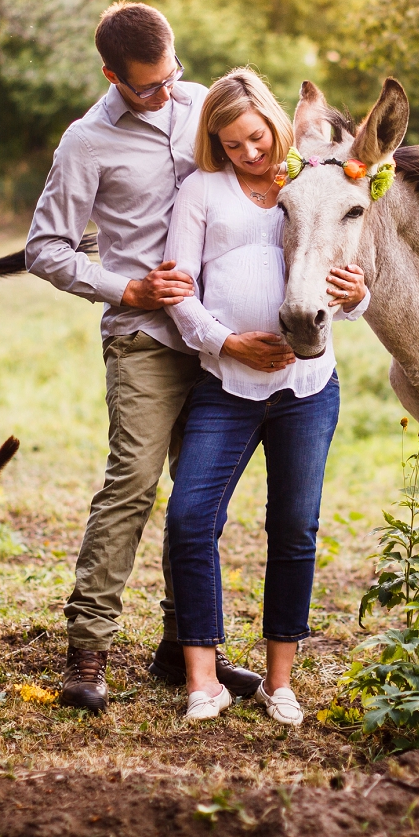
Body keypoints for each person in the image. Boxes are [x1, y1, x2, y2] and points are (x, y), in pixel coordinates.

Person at [23, 2, 263, 712]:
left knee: (200, 500)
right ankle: (88, 646)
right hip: (146, 341)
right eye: (149, 87)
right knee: (132, 482)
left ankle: (186, 647)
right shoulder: (85, 142)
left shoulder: (200, 106)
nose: (168, 94)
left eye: (173, 77)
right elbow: (45, 248)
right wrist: (124, 285)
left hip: (217, 337)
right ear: (112, 76)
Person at [161, 68, 368, 725]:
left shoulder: (314, 178)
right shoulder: (202, 192)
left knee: (295, 529)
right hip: (229, 385)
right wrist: (227, 342)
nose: (248, 153)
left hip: (307, 388)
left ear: (277, 123)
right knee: (190, 518)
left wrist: (355, 295)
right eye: (230, 145)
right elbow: (179, 293)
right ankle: (204, 678)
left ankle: (280, 681)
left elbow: (352, 294)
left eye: (255, 138)